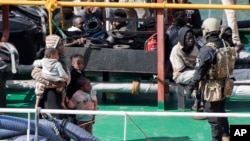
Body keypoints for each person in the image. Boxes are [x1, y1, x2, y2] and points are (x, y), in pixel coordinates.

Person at [187, 18, 236, 141]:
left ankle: (217, 139)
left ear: (206, 31)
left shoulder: (207, 49)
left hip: (212, 87)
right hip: (225, 84)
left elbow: (199, 71)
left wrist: (190, 87)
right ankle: (226, 135)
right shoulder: (225, 44)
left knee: (213, 117)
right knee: (221, 111)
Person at [31, 34, 70, 119]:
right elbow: (35, 73)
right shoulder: (45, 62)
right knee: (53, 116)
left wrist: (64, 83)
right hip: (49, 93)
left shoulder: (62, 61)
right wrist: (49, 83)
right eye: (60, 45)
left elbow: (67, 74)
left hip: (60, 91)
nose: (63, 47)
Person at [169, 26, 202, 112]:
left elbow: (198, 62)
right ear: (182, 39)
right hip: (180, 75)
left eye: (192, 38)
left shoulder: (195, 48)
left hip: (193, 74)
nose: (191, 40)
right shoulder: (175, 50)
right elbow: (181, 69)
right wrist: (196, 70)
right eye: (188, 38)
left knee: (201, 74)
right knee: (200, 73)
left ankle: (198, 103)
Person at [66, 54, 85, 124]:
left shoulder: (82, 72)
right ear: (72, 64)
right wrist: (66, 96)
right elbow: (66, 85)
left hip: (79, 97)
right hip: (71, 96)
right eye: (78, 64)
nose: (80, 65)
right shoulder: (70, 73)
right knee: (71, 115)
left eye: (82, 64)